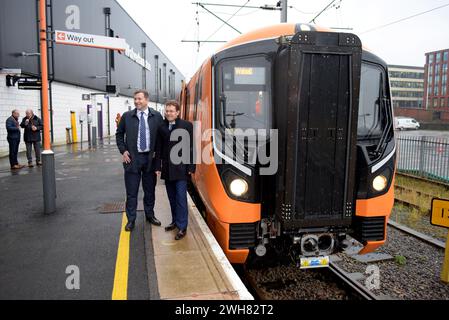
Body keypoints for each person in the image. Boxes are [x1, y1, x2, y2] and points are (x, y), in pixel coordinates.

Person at [116, 90, 164, 232]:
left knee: (149, 191)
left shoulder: (156, 116)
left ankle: (150, 215)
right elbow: (119, 135)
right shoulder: (127, 117)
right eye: (135, 99)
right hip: (132, 159)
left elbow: (162, 137)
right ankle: (131, 220)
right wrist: (123, 150)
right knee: (132, 192)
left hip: (150, 159)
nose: (137, 101)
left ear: (146, 100)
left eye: (139, 99)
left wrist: (160, 158)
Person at [155, 100, 195, 240]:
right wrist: (157, 167)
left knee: (180, 197)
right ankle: (175, 221)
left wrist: (191, 166)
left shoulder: (186, 126)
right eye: (167, 111)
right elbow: (158, 148)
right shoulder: (161, 127)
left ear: (177, 112)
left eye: (171, 111)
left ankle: (182, 226)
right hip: (167, 168)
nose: (168, 113)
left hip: (181, 168)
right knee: (171, 198)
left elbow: (191, 147)